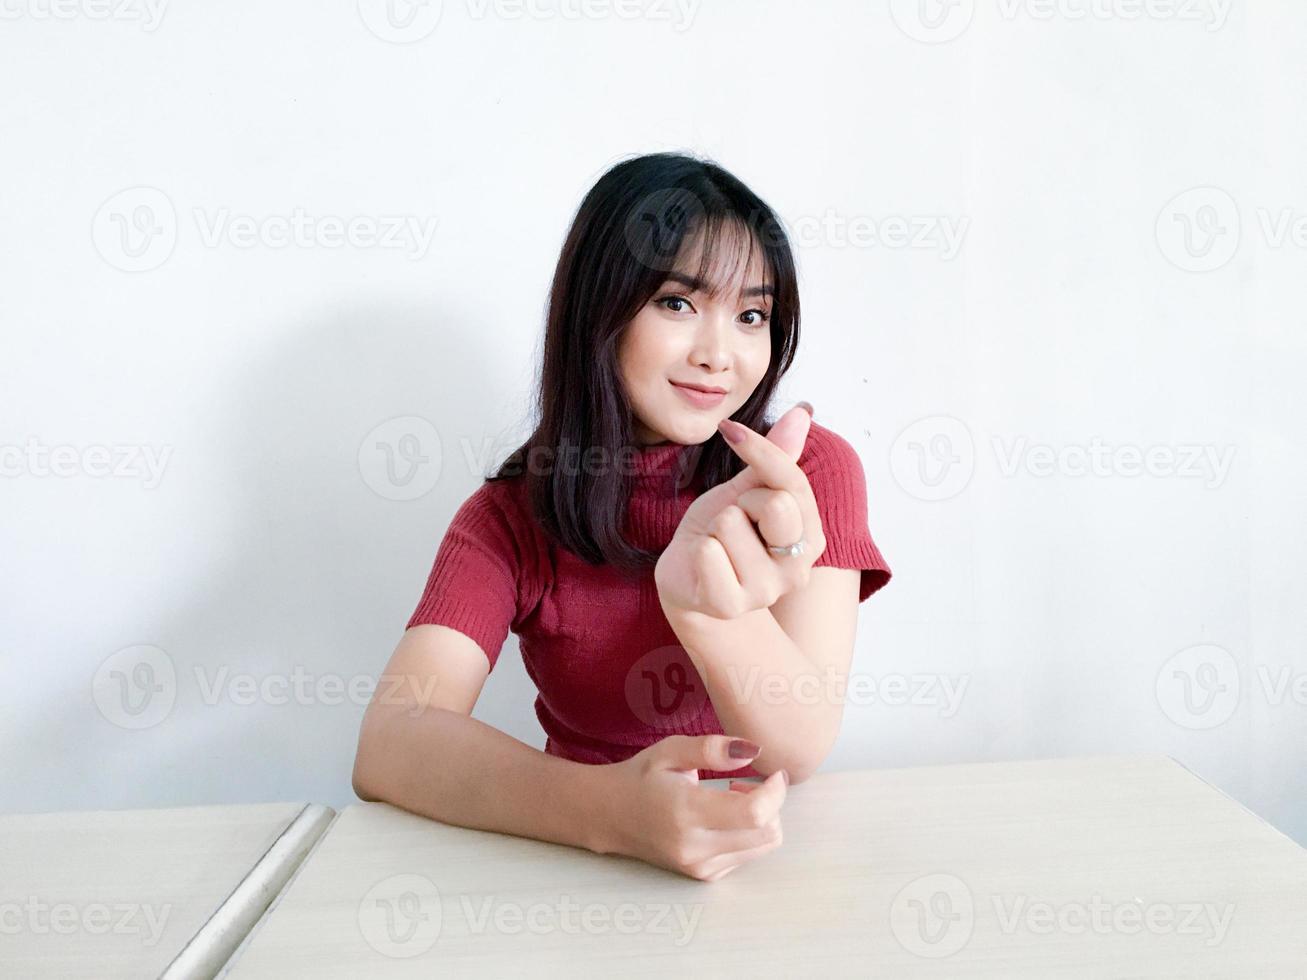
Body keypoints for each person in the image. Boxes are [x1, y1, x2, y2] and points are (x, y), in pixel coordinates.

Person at [351, 151, 892, 882]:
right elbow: (392, 740)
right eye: (677, 303)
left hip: (761, 866)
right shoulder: (510, 515)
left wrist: (705, 611)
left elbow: (796, 751)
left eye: (751, 315)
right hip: (574, 867)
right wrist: (611, 813)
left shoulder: (804, 472)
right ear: (597, 310)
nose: (719, 355)